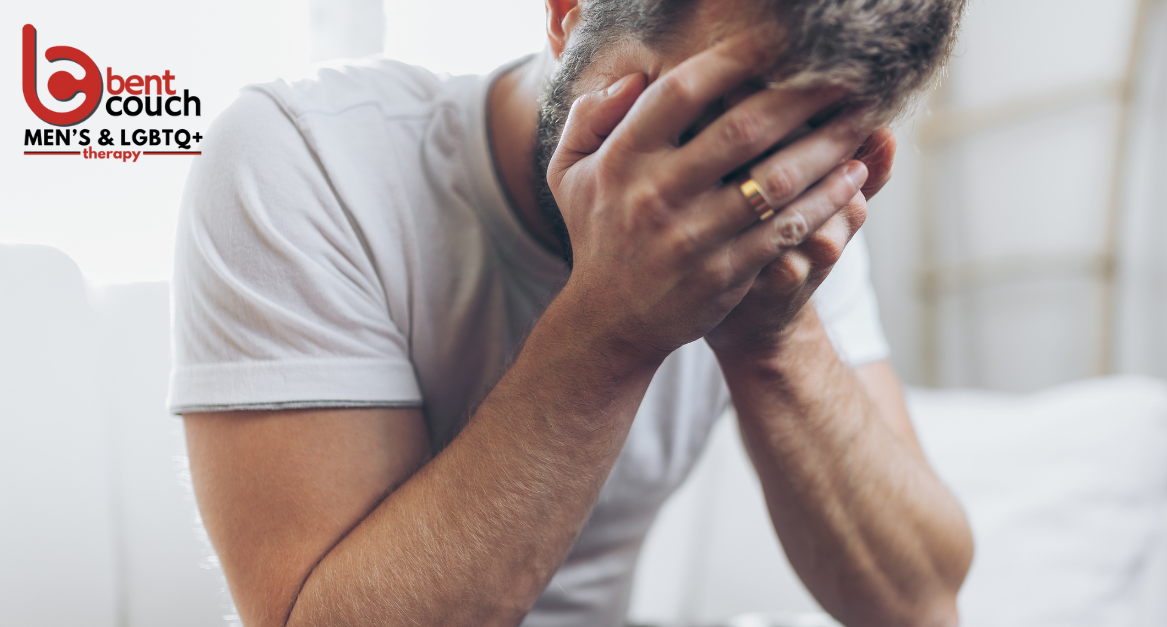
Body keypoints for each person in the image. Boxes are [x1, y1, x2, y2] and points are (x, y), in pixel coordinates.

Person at [171, 0, 974, 625]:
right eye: (700, 130)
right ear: (570, 15)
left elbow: (920, 602)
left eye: (788, 150)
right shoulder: (306, 158)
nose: (725, 202)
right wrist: (613, 324)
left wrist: (777, 335)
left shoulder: (791, 213)